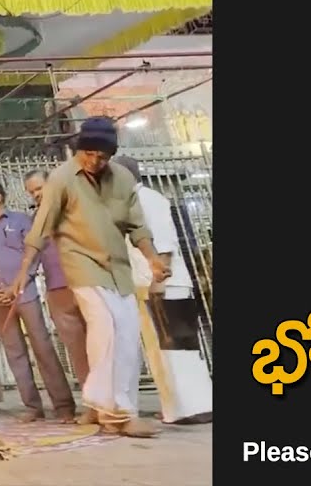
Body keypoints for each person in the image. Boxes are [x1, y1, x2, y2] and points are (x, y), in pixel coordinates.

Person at [10, 117, 168, 438]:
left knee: (127, 335)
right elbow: (40, 228)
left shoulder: (122, 178)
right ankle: (117, 414)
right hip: (81, 263)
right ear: (79, 149)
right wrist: (22, 272)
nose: (96, 161)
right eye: (90, 154)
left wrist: (152, 259)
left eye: (103, 156)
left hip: (118, 267)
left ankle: (99, 404)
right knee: (107, 327)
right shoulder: (62, 178)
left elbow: (137, 226)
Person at [111, 156, 213, 425]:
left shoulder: (149, 200)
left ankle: (193, 408)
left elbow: (164, 244)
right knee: (164, 351)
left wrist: (158, 282)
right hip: (149, 286)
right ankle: (177, 407)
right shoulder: (132, 201)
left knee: (177, 349)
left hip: (166, 285)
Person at [0, 180, 75, 423]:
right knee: (15, 353)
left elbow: (34, 254)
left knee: (43, 348)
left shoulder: (21, 221)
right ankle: (32, 407)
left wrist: (18, 283)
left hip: (25, 295)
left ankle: (63, 406)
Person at [23, 169, 91, 407]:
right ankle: (93, 405)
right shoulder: (36, 221)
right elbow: (33, 257)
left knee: (102, 346)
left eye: (39, 189)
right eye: (32, 192)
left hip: (87, 284)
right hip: (57, 290)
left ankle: (117, 404)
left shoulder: (75, 208)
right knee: (77, 352)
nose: (36, 195)